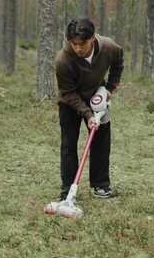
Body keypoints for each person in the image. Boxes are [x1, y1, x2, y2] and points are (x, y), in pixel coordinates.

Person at [55, 18, 124, 200]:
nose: (78, 48)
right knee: (69, 144)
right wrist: (87, 115)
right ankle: (67, 191)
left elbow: (118, 62)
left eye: (82, 44)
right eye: (73, 44)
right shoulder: (63, 60)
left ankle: (101, 186)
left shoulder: (109, 47)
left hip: (97, 99)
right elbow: (68, 92)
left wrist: (109, 88)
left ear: (92, 38)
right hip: (70, 102)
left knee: (102, 140)